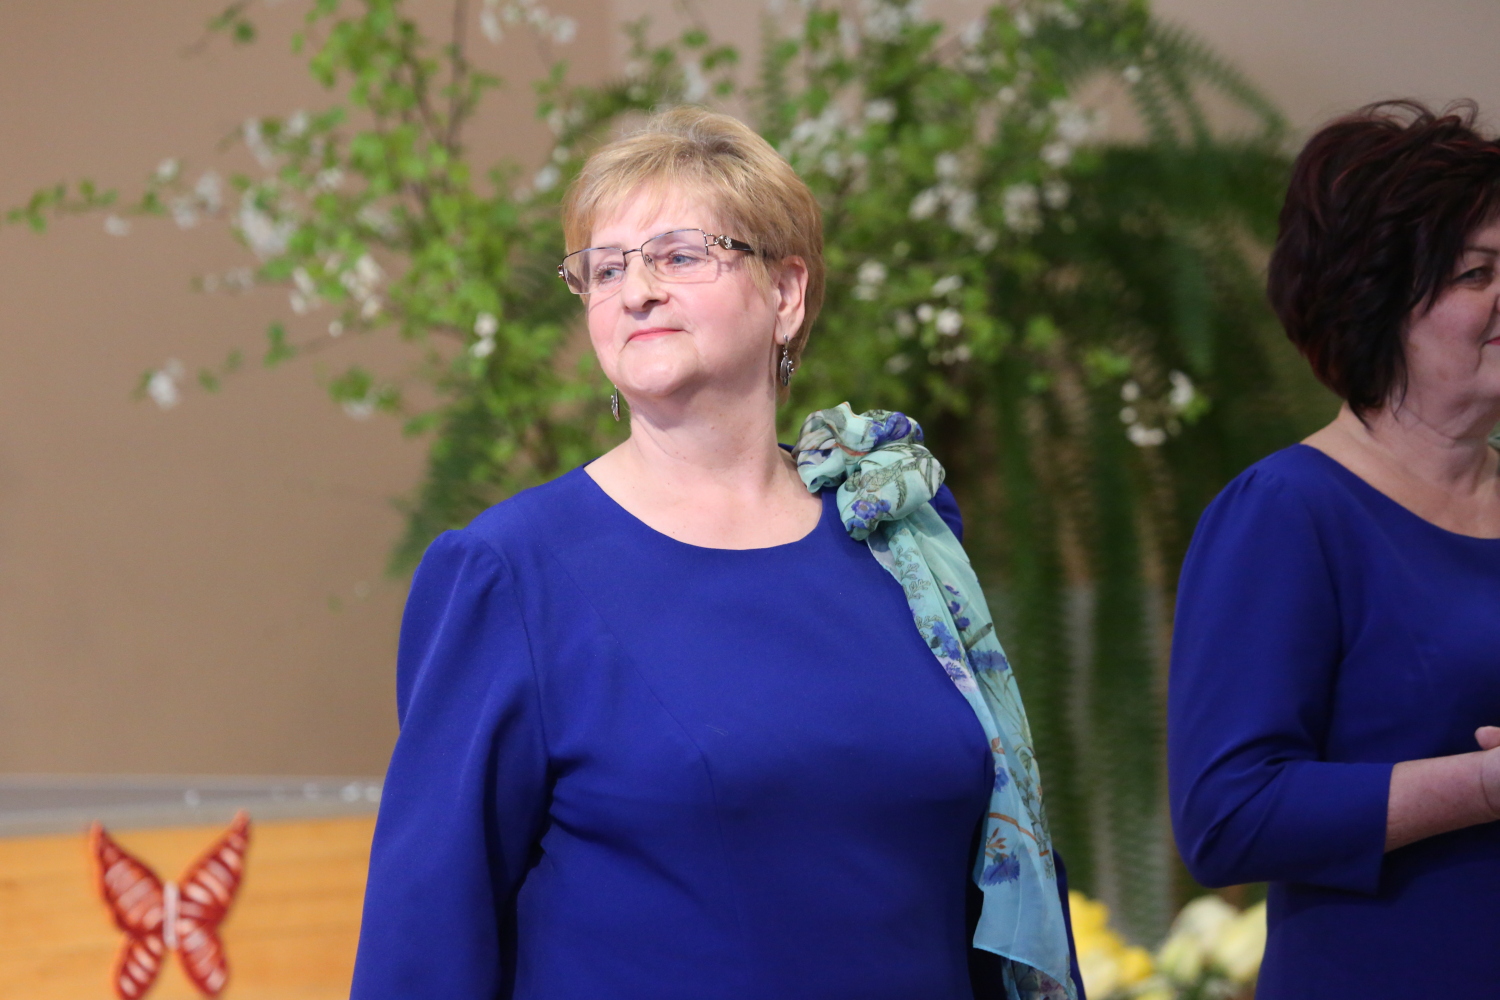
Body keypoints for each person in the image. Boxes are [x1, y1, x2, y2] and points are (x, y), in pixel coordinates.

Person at [349, 108, 1082, 1000]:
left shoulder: (899, 536)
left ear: (787, 293)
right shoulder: (509, 574)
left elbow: (1010, 864)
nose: (636, 291)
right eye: (605, 268)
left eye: (679, 256)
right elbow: (423, 944)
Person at [1169, 100, 1500, 997]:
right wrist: (1482, 787)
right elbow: (1227, 815)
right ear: (1378, 303)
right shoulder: (1288, 511)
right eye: (1477, 272)